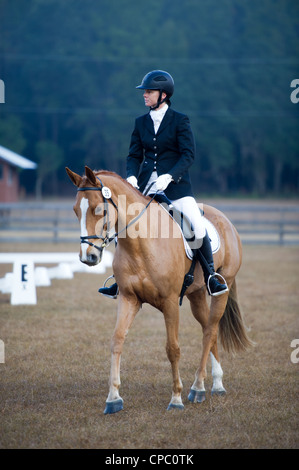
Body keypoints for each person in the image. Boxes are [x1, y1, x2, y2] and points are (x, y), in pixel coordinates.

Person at [99, 70, 228, 299]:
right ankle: (119, 280)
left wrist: (170, 176)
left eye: (149, 92)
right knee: (123, 225)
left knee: (195, 226)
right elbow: (133, 156)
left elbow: (188, 155)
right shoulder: (140, 123)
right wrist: (131, 177)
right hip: (146, 189)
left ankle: (210, 276)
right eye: (145, 92)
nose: (144, 95)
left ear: (163, 95)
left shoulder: (180, 120)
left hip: (177, 188)